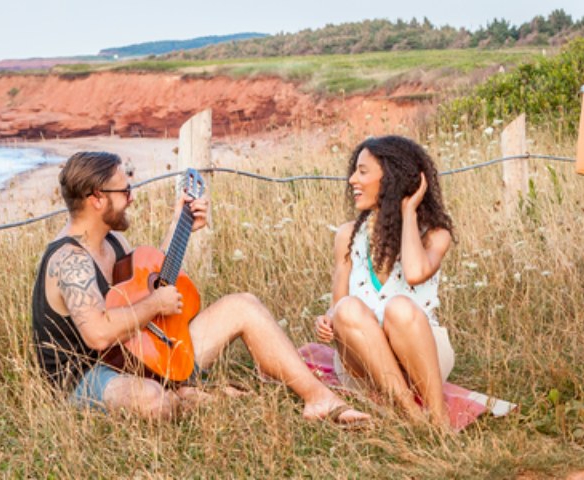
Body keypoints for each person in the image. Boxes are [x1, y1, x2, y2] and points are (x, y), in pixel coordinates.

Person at [29, 151, 369, 425]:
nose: (131, 199)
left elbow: (148, 282)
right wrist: (155, 306)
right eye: (125, 191)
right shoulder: (69, 260)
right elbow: (98, 336)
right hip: (85, 376)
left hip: (141, 352)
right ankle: (183, 395)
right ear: (98, 199)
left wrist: (182, 226)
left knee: (243, 305)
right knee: (152, 401)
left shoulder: (112, 240)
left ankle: (319, 398)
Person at [311, 135, 458, 428]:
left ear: (390, 177)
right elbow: (338, 306)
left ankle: (438, 418)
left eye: (363, 171)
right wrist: (327, 320)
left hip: (421, 358)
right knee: (348, 308)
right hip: (363, 363)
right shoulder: (347, 236)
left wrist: (408, 210)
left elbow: (415, 273)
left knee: (400, 307)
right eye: (354, 170)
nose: (352, 179)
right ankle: (412, 415)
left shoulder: (435, 234)